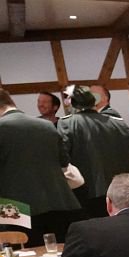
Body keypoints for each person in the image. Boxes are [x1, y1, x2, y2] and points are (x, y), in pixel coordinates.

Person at [57, 85, 129, 219]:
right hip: (118, 189)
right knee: (120, 225)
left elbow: (62, 156)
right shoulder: (116, 123)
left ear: (73, 104)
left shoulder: (67, 123)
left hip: (85, 190)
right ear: (94, 101)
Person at [0, 88, 81, 245]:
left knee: (26, 256)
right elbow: (64, 161)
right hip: (59, 200)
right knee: (62, 251)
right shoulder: (47, 125)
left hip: (16, 208)